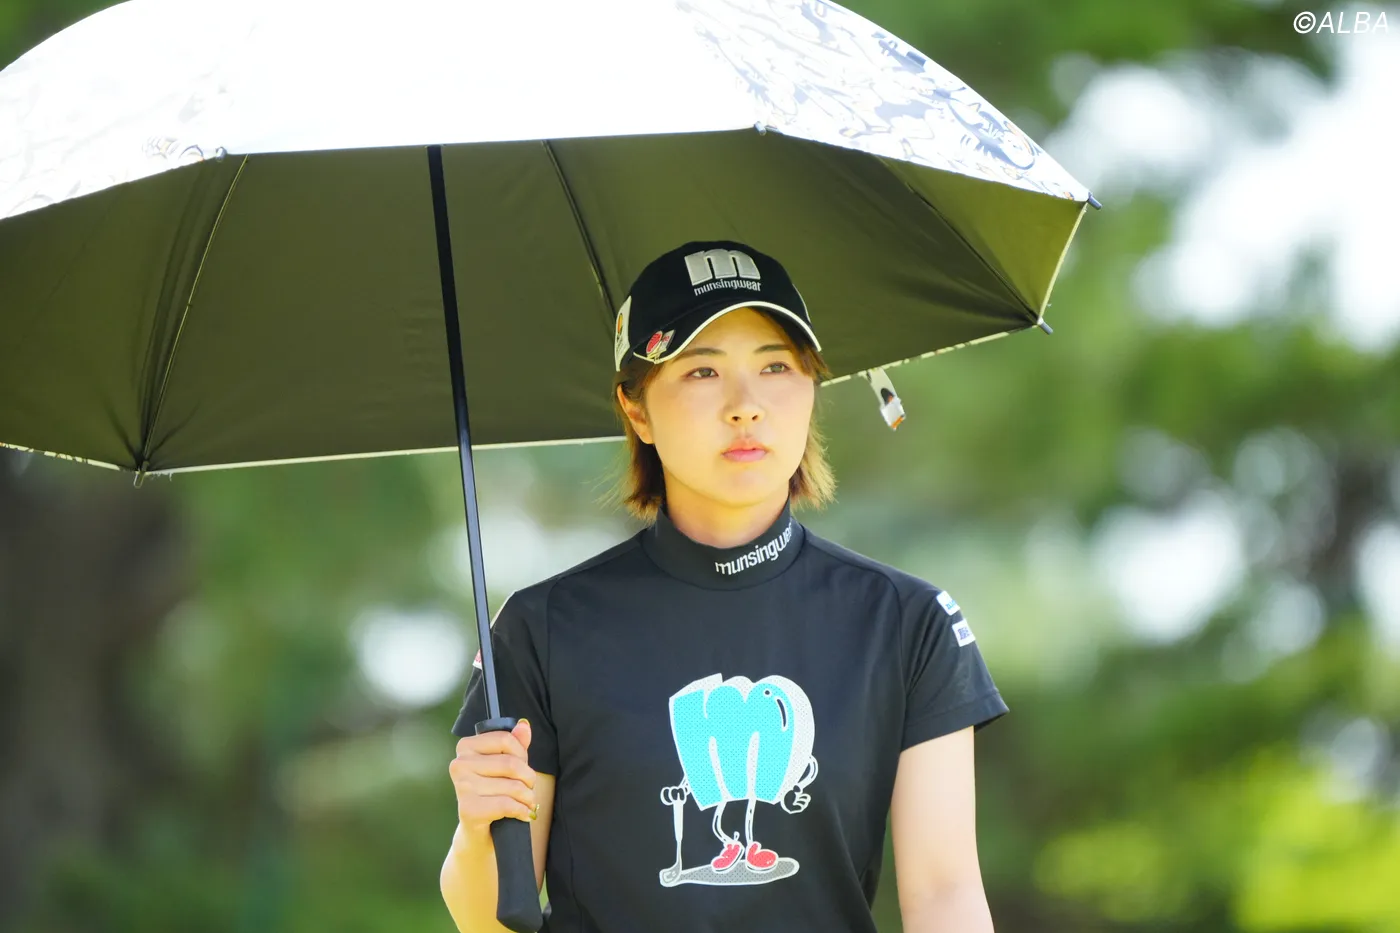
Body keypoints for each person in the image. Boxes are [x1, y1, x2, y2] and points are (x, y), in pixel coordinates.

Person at [440, 240, 1008, 933]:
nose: (745, 406)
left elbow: (946, 894)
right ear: (636, 409)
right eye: (702, 370)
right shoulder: (541, 629)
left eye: (775, 366)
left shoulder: (908, 622)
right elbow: (491, 920)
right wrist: (478, 827)